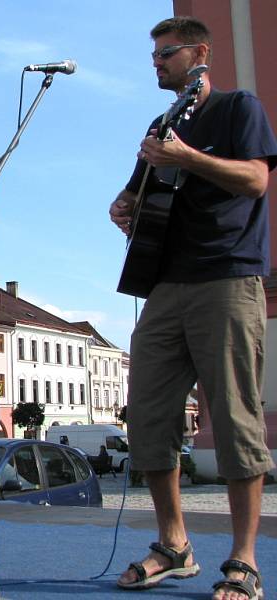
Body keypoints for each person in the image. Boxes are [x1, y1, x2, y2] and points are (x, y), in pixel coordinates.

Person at [109, 16, 276, 600]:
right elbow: (142, 187)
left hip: (227, 277)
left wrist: (189, 157)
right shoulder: (162, 122)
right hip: (165, 284)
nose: (157, 62)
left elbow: (255, 180)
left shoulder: (238, 109)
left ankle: (245, 559)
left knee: (234, 419)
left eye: (168, 52)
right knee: (148, 416)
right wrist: (125, 203)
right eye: (153, 54)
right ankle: (174, 544)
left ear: (201, 53)